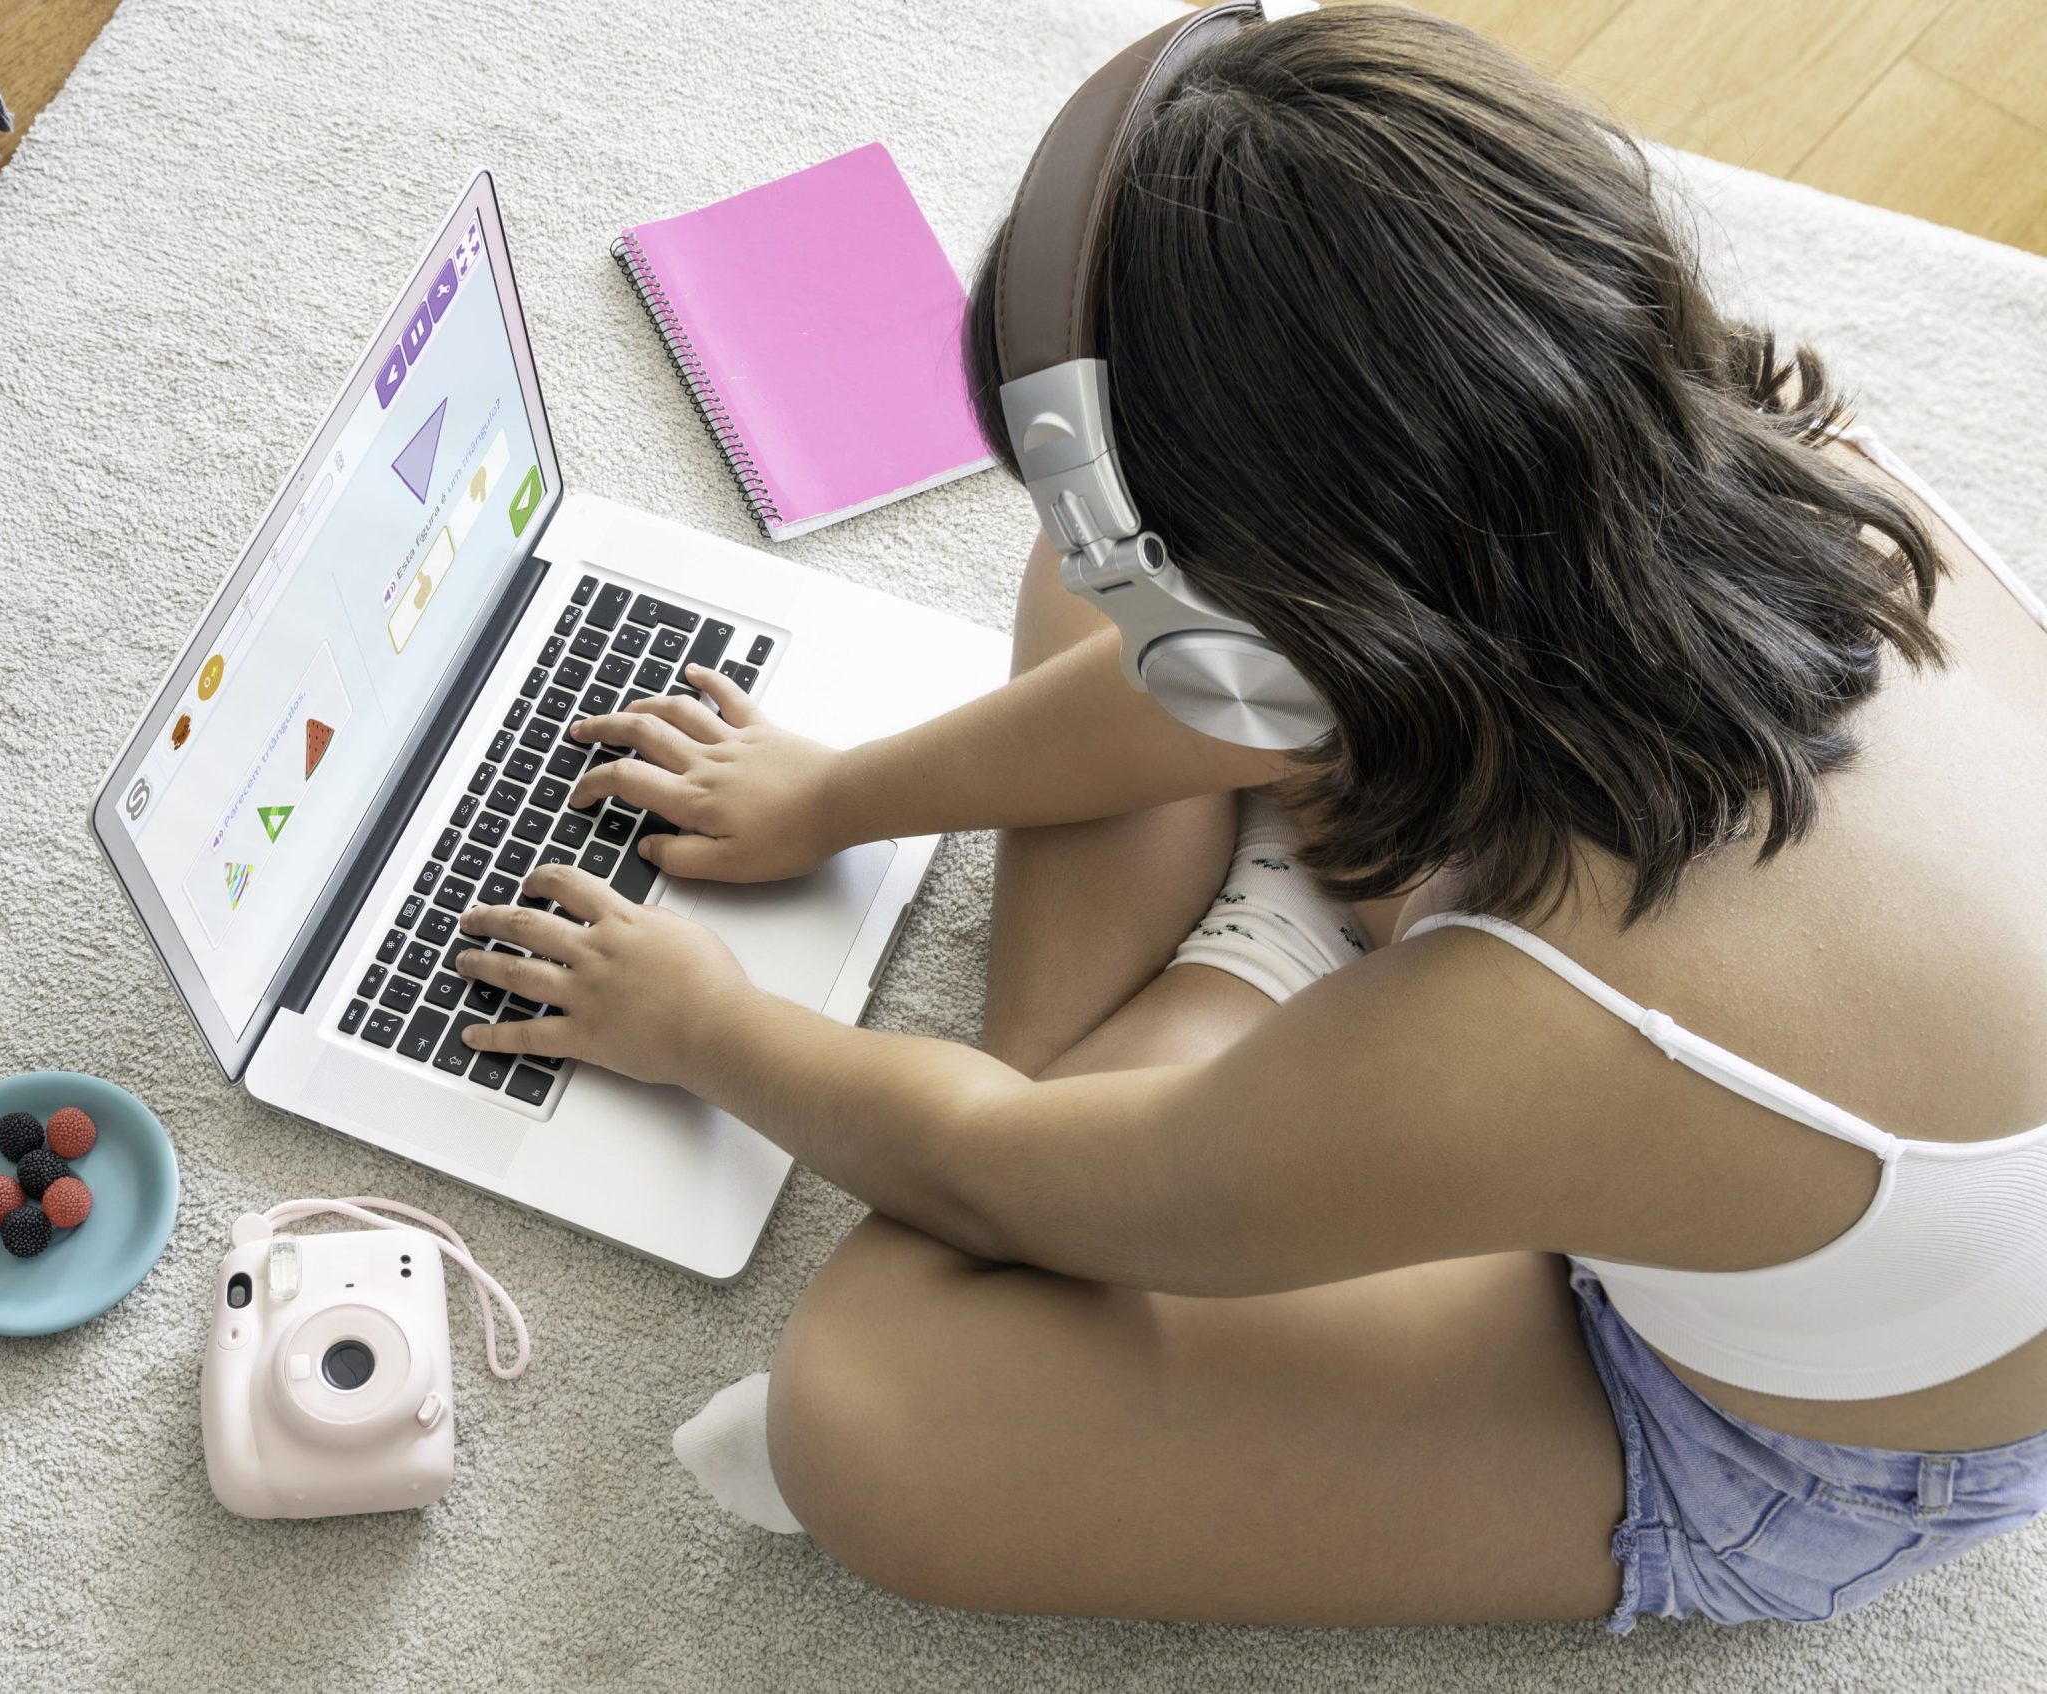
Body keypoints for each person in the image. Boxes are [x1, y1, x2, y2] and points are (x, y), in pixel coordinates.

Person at [451, 3, 2047, 1630]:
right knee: (1103, 577)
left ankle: (1247, 987)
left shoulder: (1528, 1032)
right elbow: (1241, 640)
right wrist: (838, 793)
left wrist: (707, 1026)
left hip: (1776, 1444)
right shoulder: (1778, 454)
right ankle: (1260, 1015)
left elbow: (1007, 1180)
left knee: (871, 1411)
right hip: (1634, 1012)